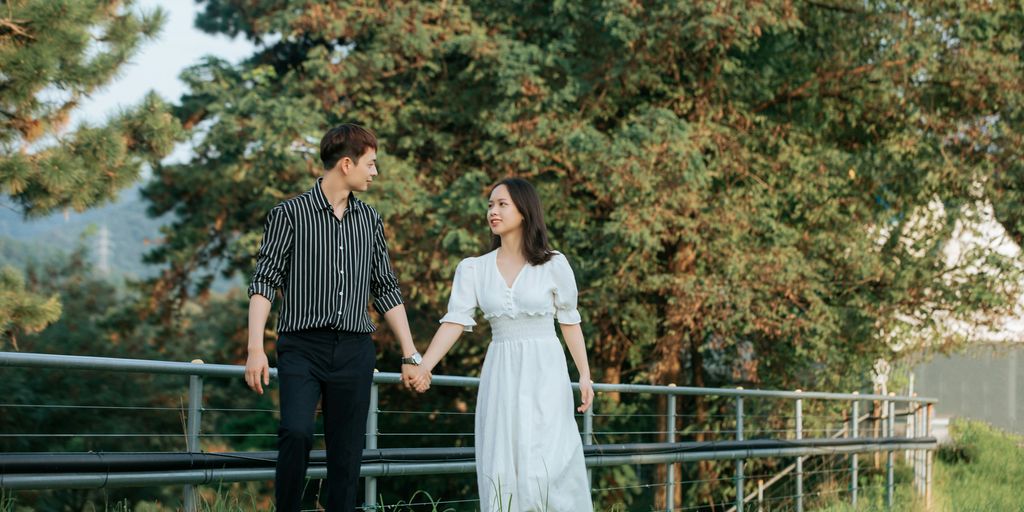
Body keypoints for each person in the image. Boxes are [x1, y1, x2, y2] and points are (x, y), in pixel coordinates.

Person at [243, 123, 425, 511]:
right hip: (301, 347)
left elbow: (386, 288)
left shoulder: (370, 221)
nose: (375, 172)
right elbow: (264, 281)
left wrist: (411, 355)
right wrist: (255, 348)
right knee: (296, 432)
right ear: (347, 164)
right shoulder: (288, 215)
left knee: (346, 454)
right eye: (371, 164)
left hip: (355, 350)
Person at [408, 177, 594, 511]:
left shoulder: (553, 264)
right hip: (501, 372)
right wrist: (424, 366)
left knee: (550, 460)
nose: (493, 211)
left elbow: (569, 321)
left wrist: (584, 374)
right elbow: (455, 321)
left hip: (545, 371)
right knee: (503, 460)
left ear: (524, 210)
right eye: (490, 205)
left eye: (502, 204)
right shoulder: (474, 269)